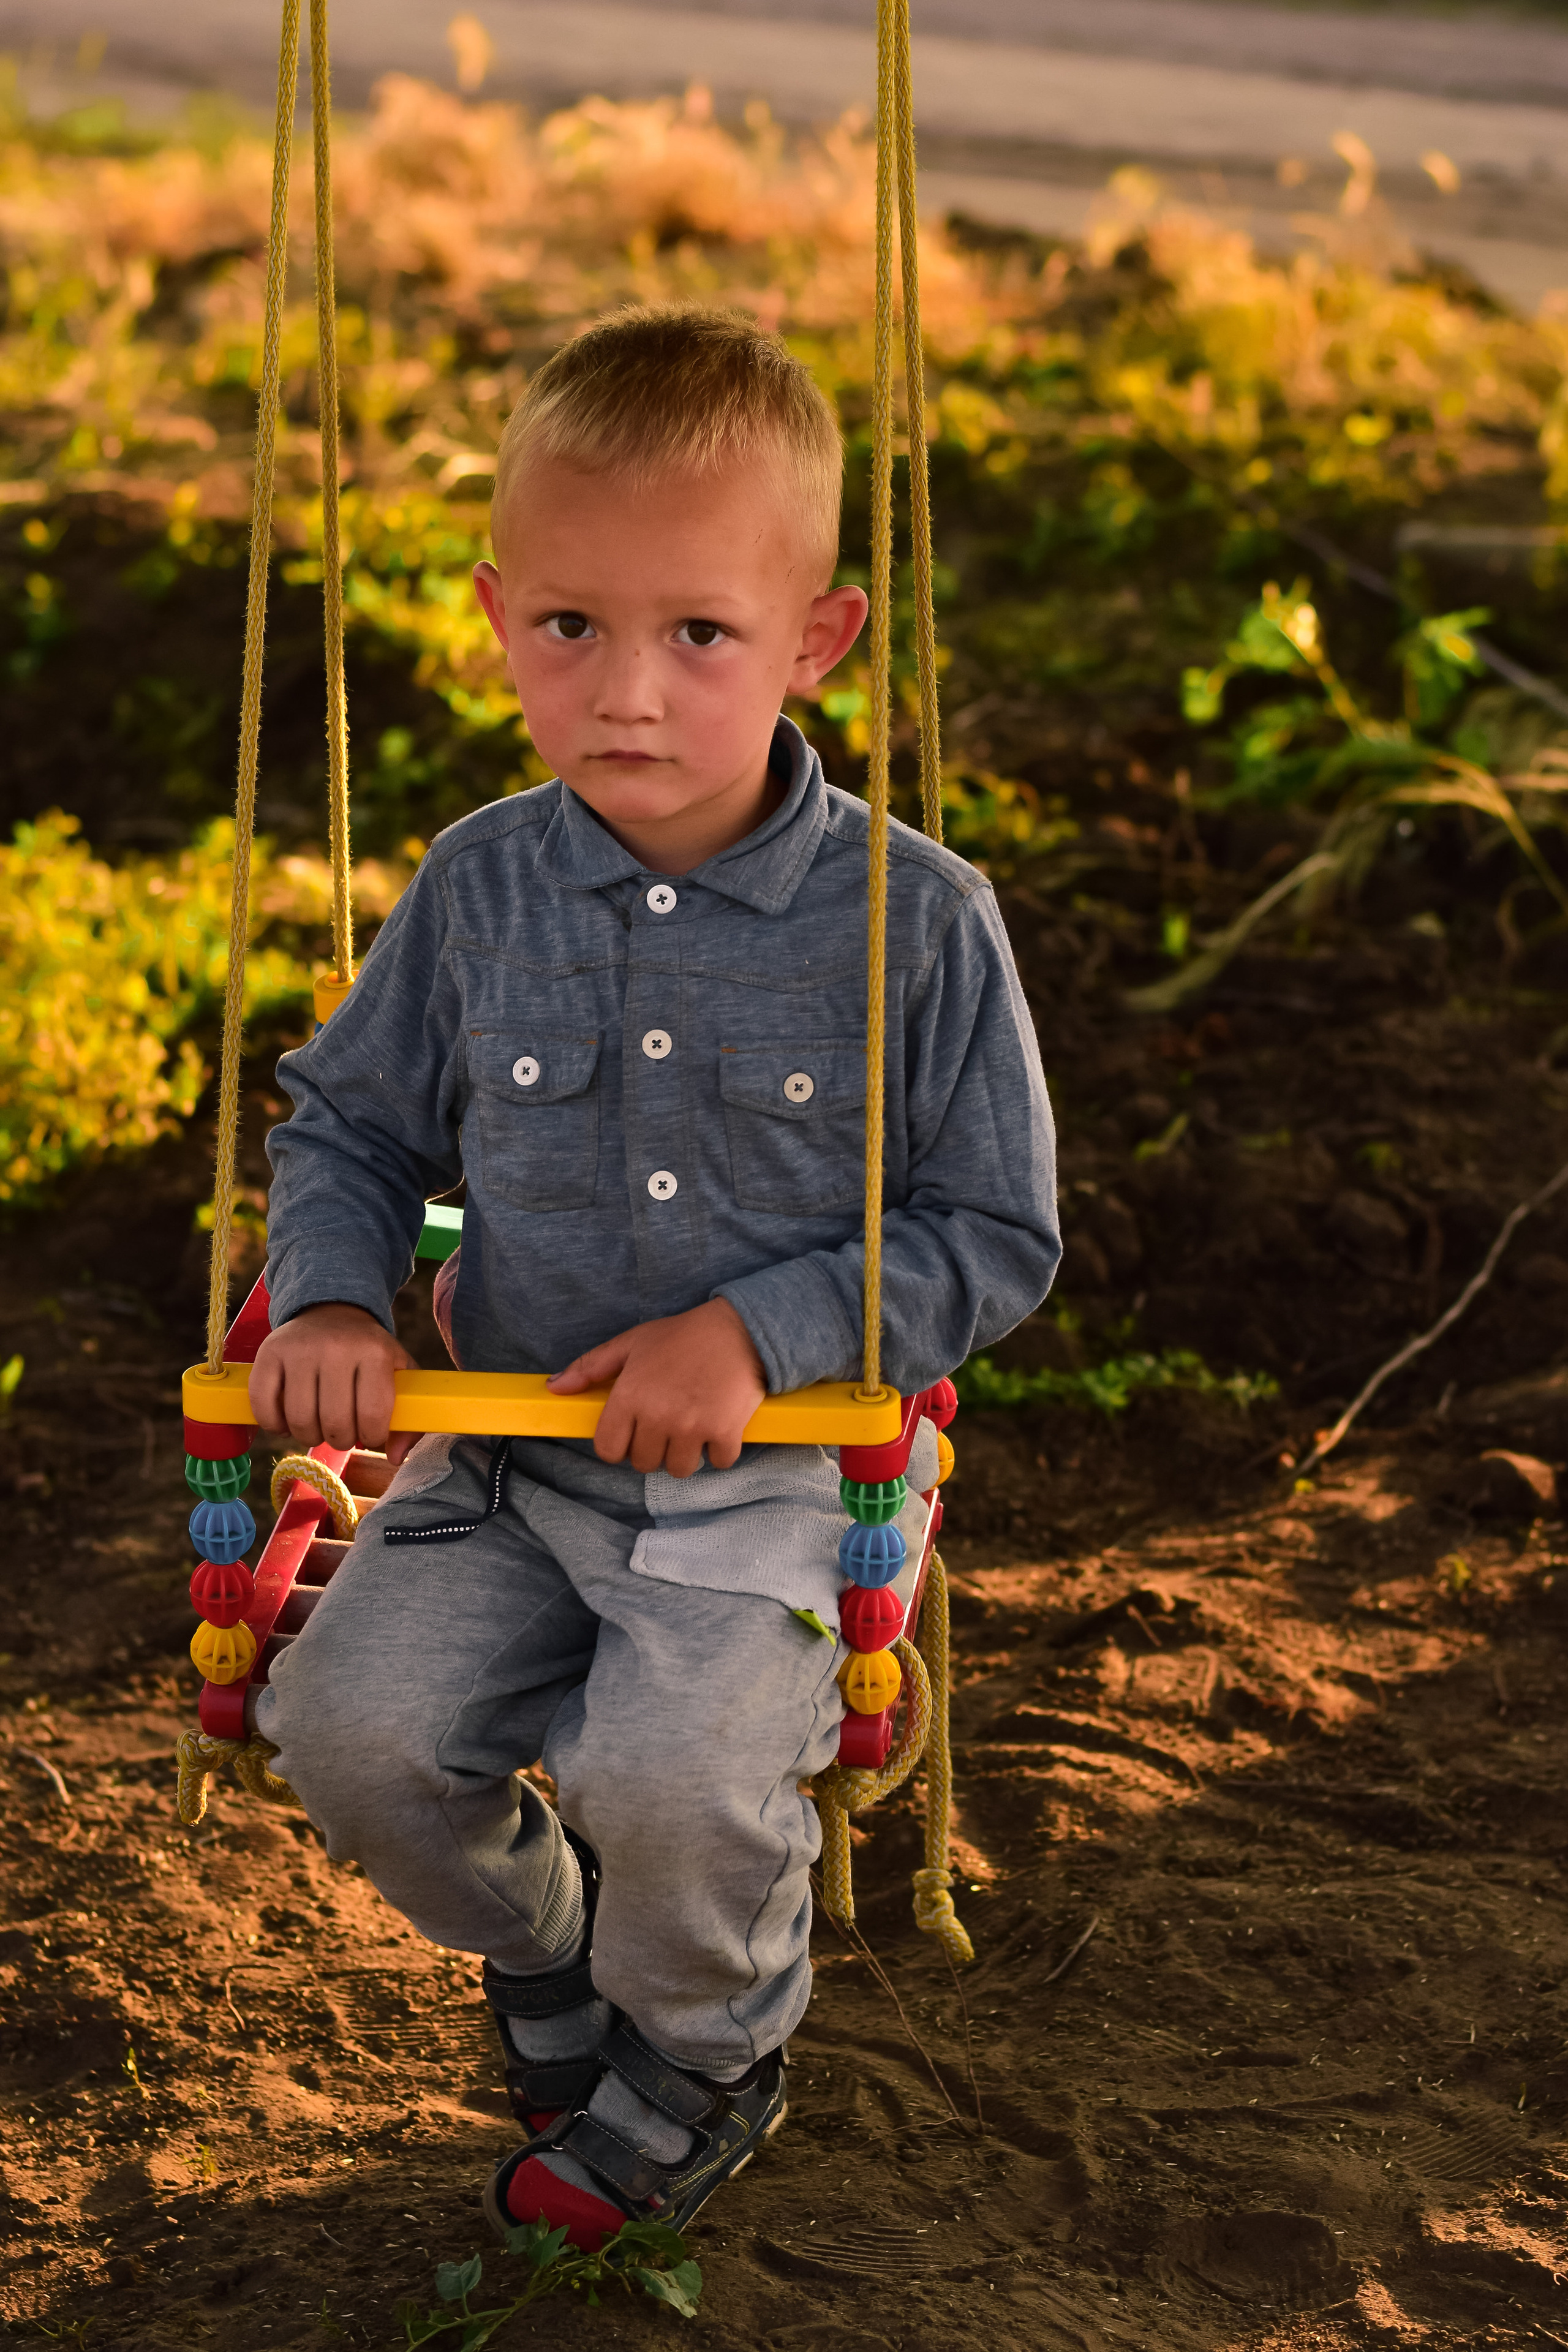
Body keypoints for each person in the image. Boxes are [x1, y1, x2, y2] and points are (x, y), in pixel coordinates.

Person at [248, 306, 1060, 2248]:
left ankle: (702, 2047)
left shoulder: (919, 928)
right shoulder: (475, 889)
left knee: (670, 1771)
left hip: (779, 1484)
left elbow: (996, 1234)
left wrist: (759, 1332)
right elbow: (348, 1129)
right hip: (513, 1463)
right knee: (344, 1733)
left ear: (817, 638)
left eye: (699, 633)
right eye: (570, 629)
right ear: (496, 614)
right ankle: (547, 1963)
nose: (628, 692)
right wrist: (340, 1298)